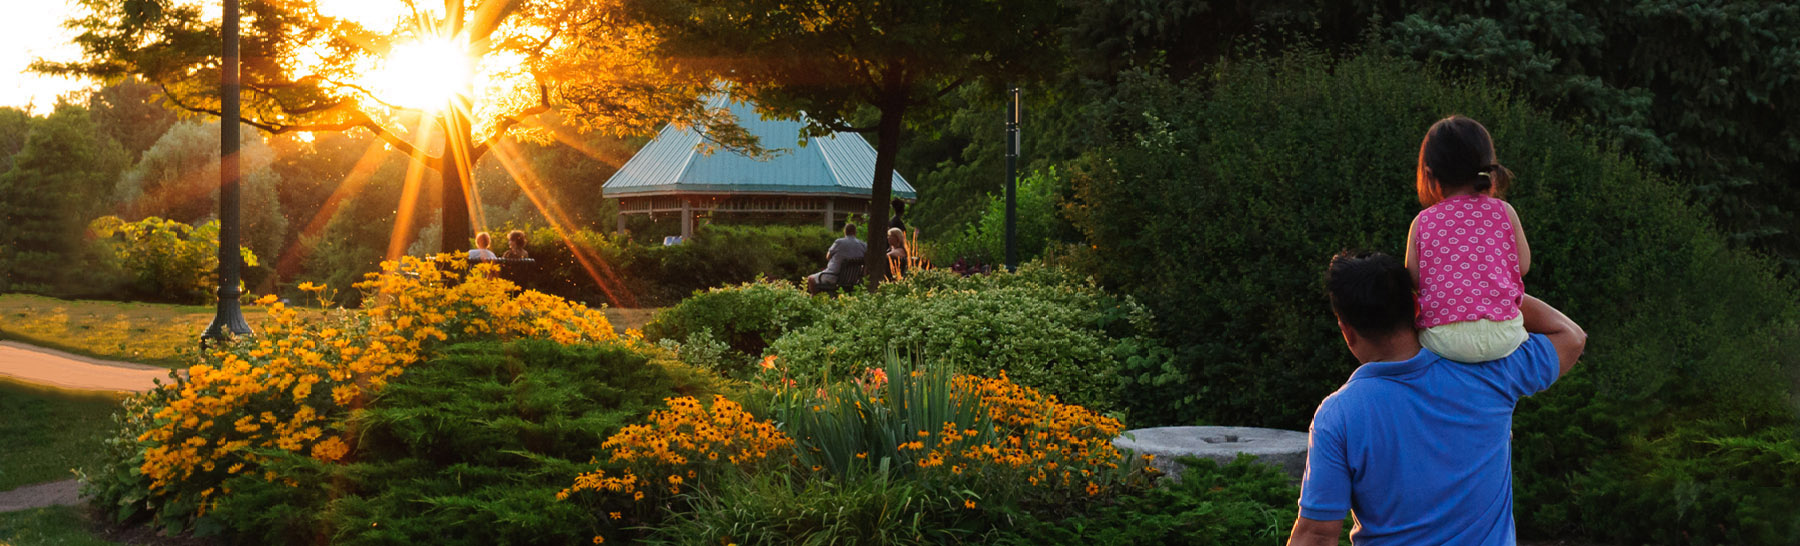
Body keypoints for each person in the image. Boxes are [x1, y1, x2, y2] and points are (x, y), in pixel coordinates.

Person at [1286, 251, 1585, 546]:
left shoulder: (1338, 416)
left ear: (1346, 331)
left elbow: (1316, 535)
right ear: (1417, 306)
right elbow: (1570, 336)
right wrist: (1488, 293)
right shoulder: (1488, 372)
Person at [1405, 115, 1531, 364]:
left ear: (1429, 174)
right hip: (1505, 334)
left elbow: (1414, 279)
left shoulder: (1423, 221)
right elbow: (1522, 267)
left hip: (1445, 340)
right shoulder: (1504, 211)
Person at [806, 222, 867, 293]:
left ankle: (814, 300)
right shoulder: (863, 245)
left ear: (845, 232)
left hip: (834, 276)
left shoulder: (839, 242)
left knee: (810, 279)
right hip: (852, 279)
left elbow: (828, 256)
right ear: (855, 232)